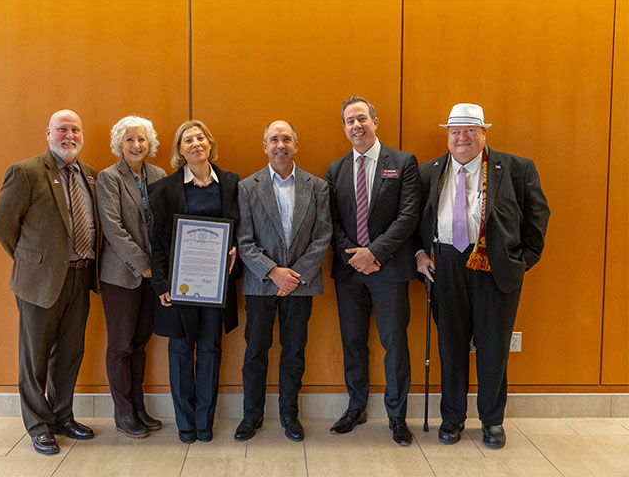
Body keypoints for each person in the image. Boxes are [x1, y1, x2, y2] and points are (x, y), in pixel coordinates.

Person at [415, 103, 549, 449]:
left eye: (470, 130)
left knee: (493, 348)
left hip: (495, 269)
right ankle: (452, 418)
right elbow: (415, 220)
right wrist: (419, 254)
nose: (462, 138)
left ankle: (492, 421)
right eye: (455, 131)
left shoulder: (516, 169)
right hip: (445, 266)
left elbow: (537, 218)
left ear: (484, 134)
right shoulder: (430, 171)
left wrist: (520, 263)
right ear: (447, 137)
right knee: (451, 346)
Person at [0, 109, 97, 455]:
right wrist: (30, 260)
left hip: (80, 277)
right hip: (40, 280)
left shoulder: (90, 175)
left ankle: (63, 416)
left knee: (68, 353)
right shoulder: (27, 172)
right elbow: (2, 224)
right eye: (63, 129)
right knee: (34, 357)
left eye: (76, 130)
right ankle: (39, 426)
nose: (70, 135)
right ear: (48, 133)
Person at [325, 96, 420, 446]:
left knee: (394, 343)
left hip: (389, 268)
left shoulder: (403, 162)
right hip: (350, 272)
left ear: (375, 122)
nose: (356, 126)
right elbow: (331, 221)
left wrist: (374, 253)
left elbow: (408, 215)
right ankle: (356, 407)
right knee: (353, 342)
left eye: (362, 118)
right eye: (350, 120)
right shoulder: (335, 169)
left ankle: (396, 417)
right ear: (344, 127)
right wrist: (354, 255)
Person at [234, 121, 332, 442]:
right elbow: (244, 240)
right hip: (261, 282)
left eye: (286, 138)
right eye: (274, 139)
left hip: (301, 284)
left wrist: (294, 275)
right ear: (264, 146)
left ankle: (290, 415)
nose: (280, 144)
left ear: (296, 144)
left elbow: (322, 237)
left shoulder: (317, 187)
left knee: (294, 351)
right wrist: (273, 271)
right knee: (255, 350)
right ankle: (252, 415)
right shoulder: (248, 187)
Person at [147, 120, 240, 444]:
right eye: (188, 140)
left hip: (217, 285)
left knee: (212, 350)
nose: (196, 143)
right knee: (182, 350)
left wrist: (235, 249)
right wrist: (161, 283)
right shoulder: (164, 190)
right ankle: (185, 424)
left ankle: (204, 422)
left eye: (201, 137)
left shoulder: (230, 183)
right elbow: (156, 242)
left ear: (210, 143)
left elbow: (240, 228)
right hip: (180, 285)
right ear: (179, 150)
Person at [96, 116, 167, 438]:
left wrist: (160, 266)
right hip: (121, 276)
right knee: (121, 346)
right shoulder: (109, 178)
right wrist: (143, 264)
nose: (136, 145)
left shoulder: (160, 175)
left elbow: (165, 223)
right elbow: (113, 228)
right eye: (129, 140)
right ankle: (123, 413)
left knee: (140, 345)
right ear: (119, 145)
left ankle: (138, 408)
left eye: (141, 139)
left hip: (154, 275)